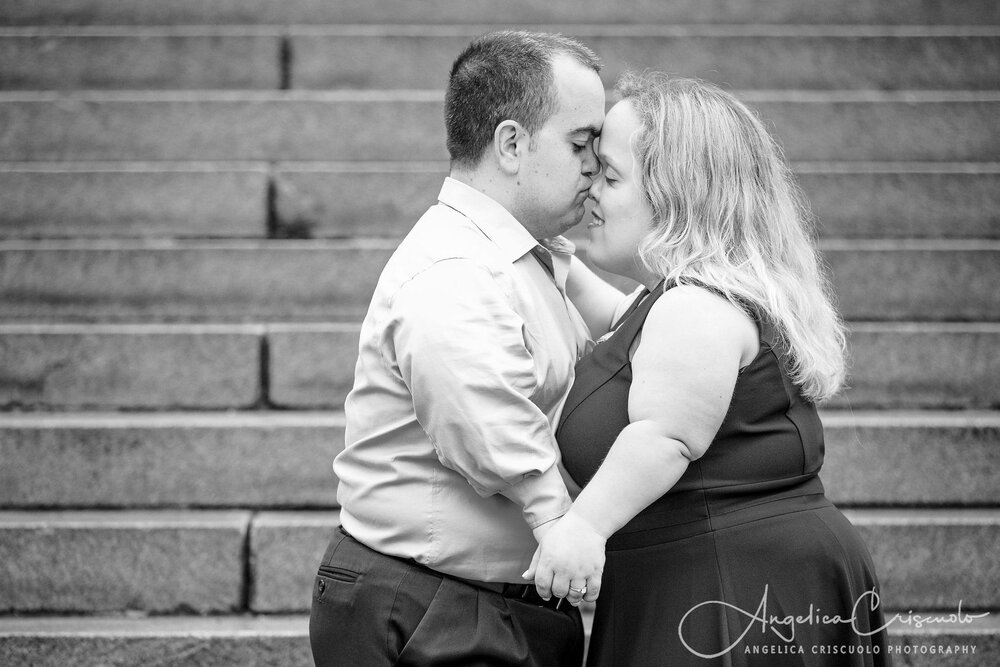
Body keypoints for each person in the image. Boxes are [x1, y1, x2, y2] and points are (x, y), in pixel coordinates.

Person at [525, 72, 892, 665]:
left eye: (609, 175)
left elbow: (666, 435)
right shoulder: (677, 304)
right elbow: (620, 325)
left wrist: (584, 527)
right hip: (722, 574)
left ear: (678, 198)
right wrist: (546, 253)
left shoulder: (695, 307)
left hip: (732, 586)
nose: (589, 187)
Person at [308, 31, 605, 666]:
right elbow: (480, 409)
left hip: (478, 602)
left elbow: (614, 328)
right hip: (432, 605)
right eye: (581, 144)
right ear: (511, 144)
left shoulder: (522, 252)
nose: (594, 167)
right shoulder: (456, 263)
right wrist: (558, 522)